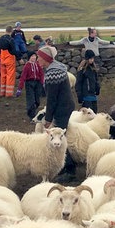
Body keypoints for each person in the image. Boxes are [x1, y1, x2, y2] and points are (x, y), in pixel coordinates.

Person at [37, 46, 76, 183]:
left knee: (58, 136)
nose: (37, 60)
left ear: (46, 59)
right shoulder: (57, 68)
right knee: (61, 135)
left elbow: (51, 99)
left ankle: (70, 169)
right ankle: (66, 167)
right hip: (66, 105)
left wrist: (48, 119)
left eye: (39, 57)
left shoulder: (52, 73)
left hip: (62, 108)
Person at [16, 52, 45, 120]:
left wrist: (42, 83)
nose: (34, 57)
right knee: (31, 100)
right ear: (29, 57)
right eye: (32, 56)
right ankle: (31, 115)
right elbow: (23, 77)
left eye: (35, 56)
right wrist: (20, 88)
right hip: (29, 83)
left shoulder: (38, 65)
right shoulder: (27, 66)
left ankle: (33, 109)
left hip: (37, 83)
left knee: (37, 100)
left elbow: (41, 74)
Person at [0, 25, 17, 98]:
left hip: (2, 58)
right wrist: (19, 57)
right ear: (11, 31)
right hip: (9, 59)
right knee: (10, 76)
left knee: (3, 76)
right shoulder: (10, 39)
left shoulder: (0, 39)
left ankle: (2, 92)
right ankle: (9, 94)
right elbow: (14, 50)